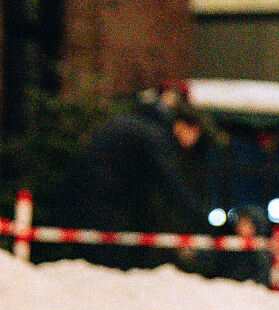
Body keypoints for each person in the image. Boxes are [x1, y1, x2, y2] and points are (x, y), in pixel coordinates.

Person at [55, 97, 208, 266]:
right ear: (184, 126)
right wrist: (204, 223)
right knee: (106, 261)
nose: (193, 143)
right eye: (195, 134)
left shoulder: (144, 126)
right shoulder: (156, 139)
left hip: (88, 193)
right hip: (101, 199)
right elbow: (172, 187)